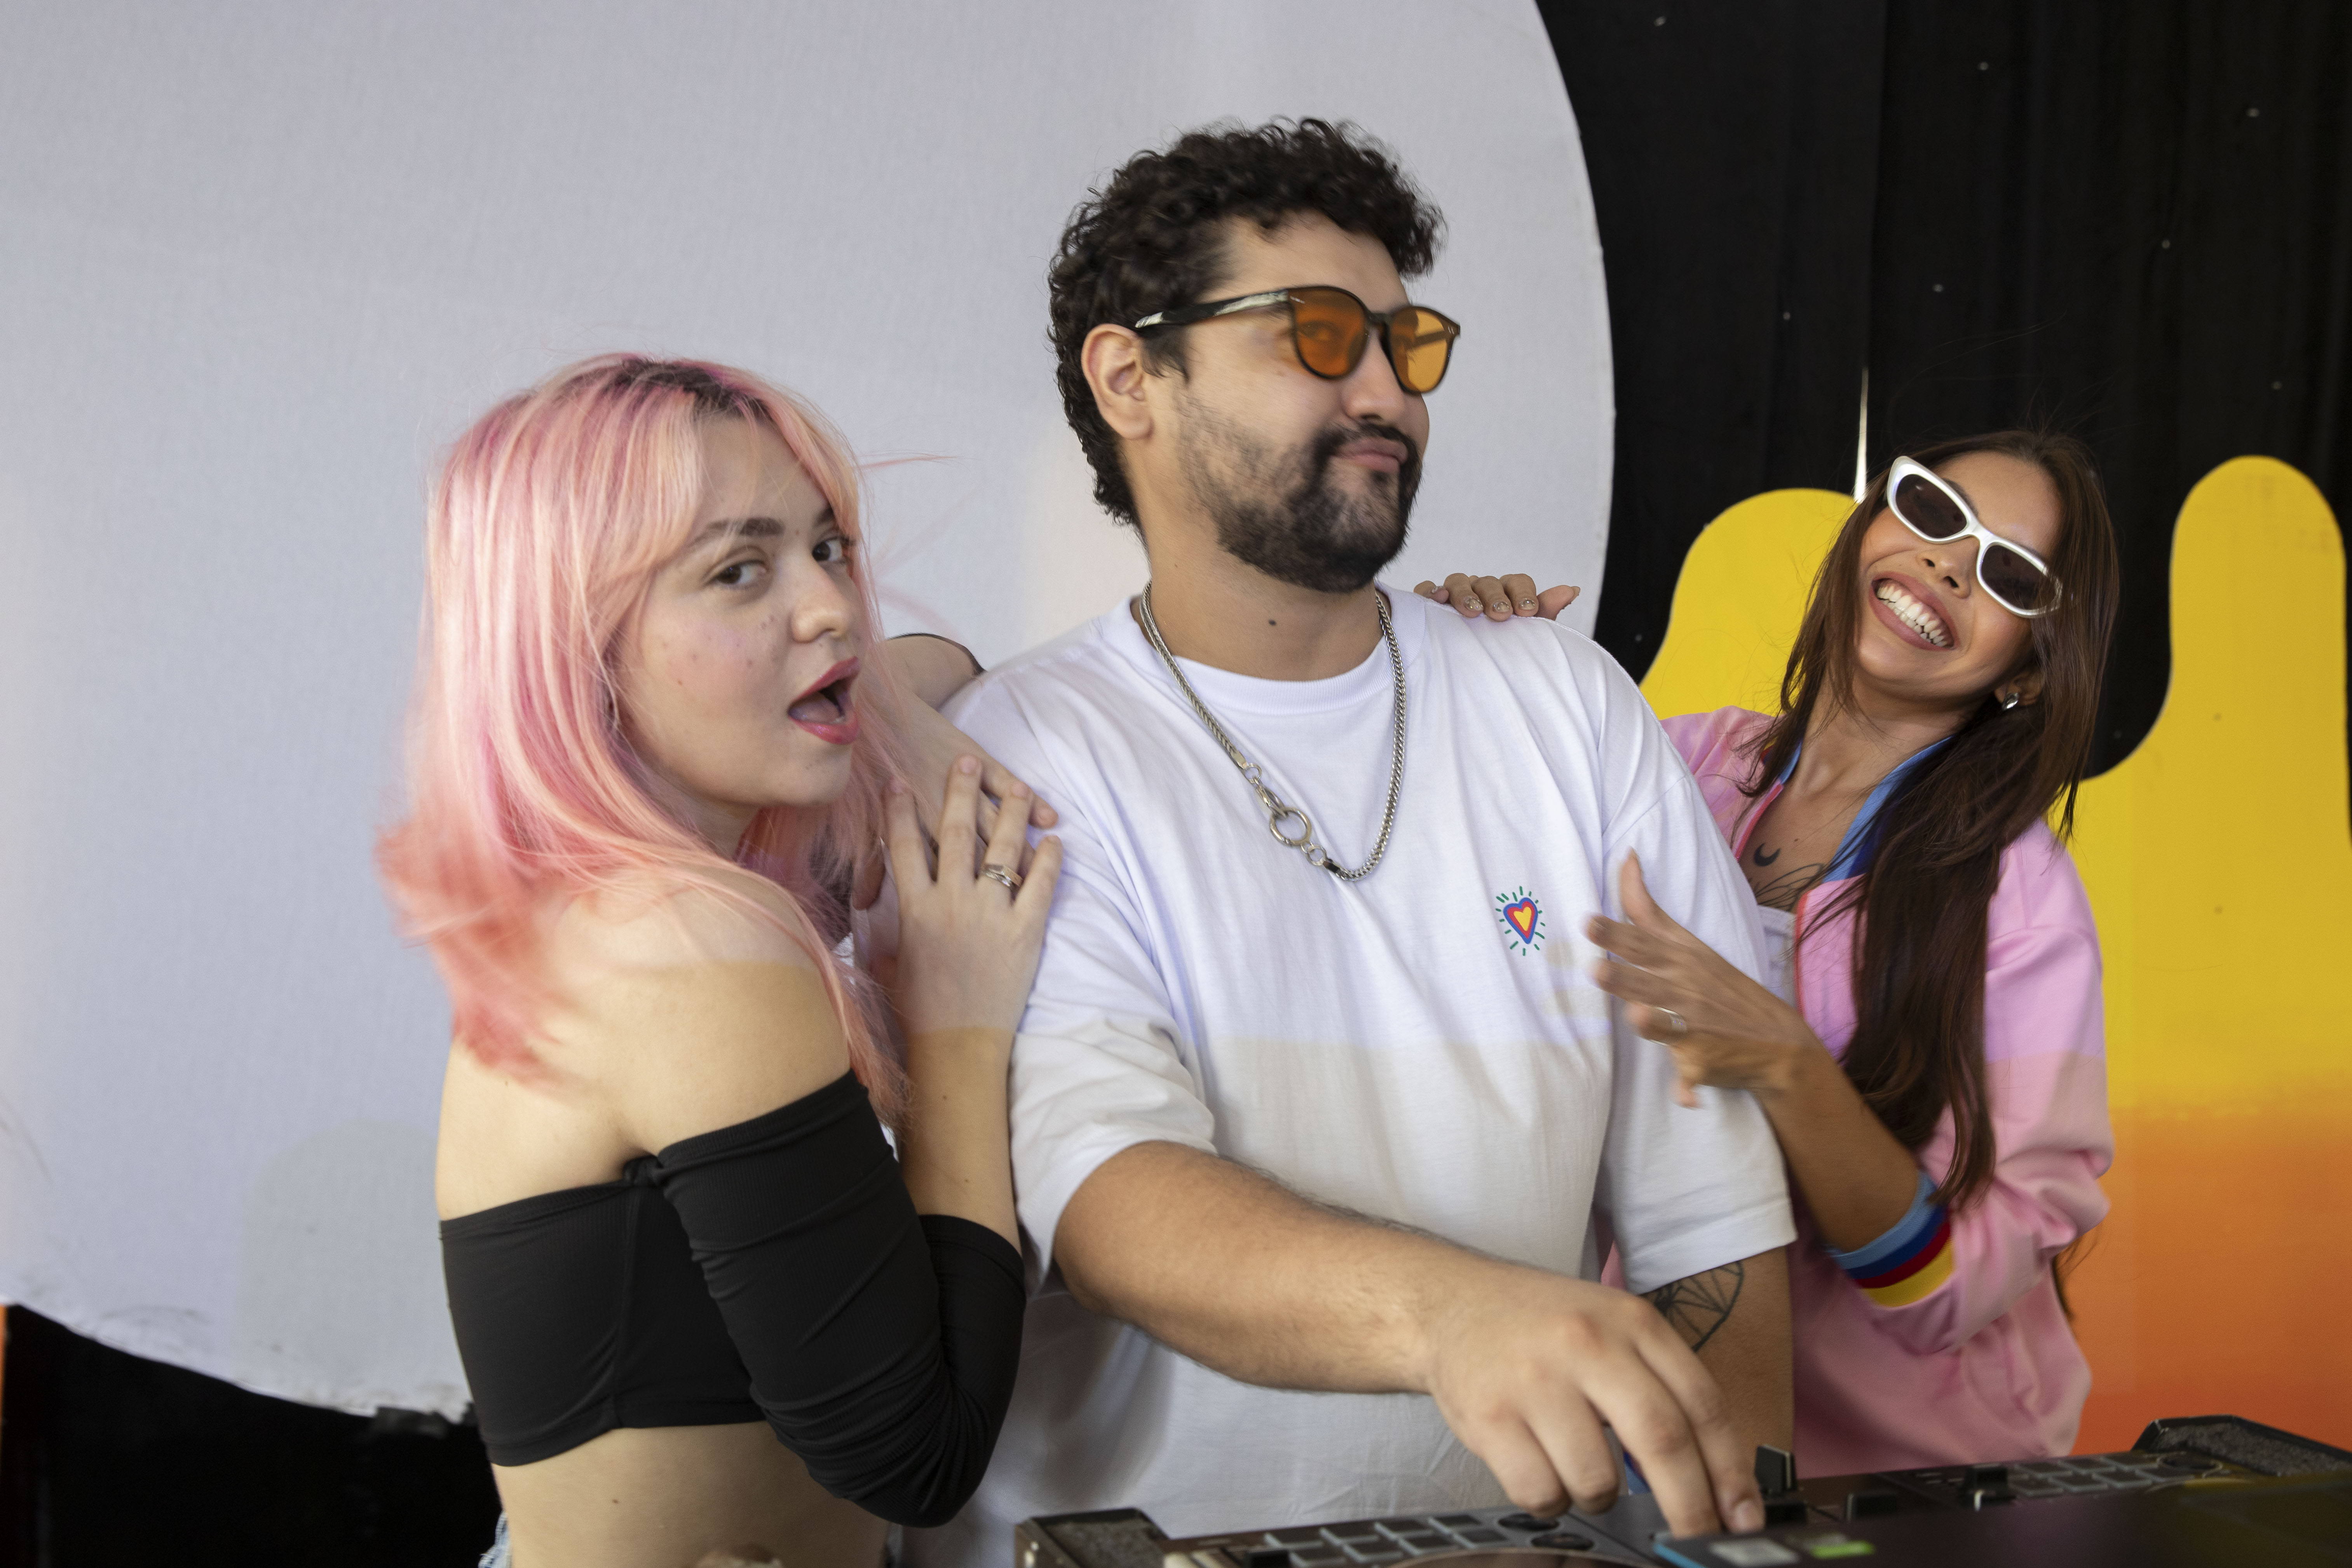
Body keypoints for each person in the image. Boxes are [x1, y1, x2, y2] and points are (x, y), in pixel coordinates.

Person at [902, 120, 1796, 1566]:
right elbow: (1111, 1192)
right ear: (1131, 379)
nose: (1387, 392)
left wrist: (1738, 1538)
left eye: (1403, 342)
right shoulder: (1025, 752)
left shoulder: (1565, 704)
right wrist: (1452, 1317)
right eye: (1316, 335)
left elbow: (1712, 1219)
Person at [377, 355, 1062, 1568]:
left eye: (830, 548)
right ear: (578, 645)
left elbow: (928, 665)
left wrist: (899, 706)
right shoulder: (688, 940)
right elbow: (920, 1455)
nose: (833, 607)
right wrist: (954, 1023)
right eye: (740, 570)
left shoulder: (602, 904)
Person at [1420, 429, 2120, 1473]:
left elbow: (1955, 1288)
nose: (1948, 566)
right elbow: (1484, 909)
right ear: (1868, 525)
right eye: (1935, 513)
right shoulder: (1678, 759)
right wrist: (1480, 675)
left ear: (2029, 668)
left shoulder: (2018, 898)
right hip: (1664, 1438)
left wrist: (1789, 1064)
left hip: (1914, 1486)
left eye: (2008, 574)